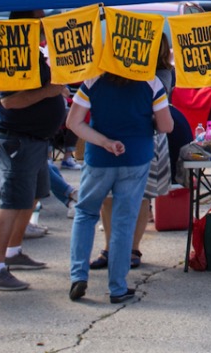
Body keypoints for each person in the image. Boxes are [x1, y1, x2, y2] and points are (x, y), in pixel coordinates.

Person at [65, 65, 172, 303]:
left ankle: (78, 275)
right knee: (124, 221)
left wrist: (104, 141)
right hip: (136, 157)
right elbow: (166, 126)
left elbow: (74, 122)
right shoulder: (151, 82)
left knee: (85, 213)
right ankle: (117, 287)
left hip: (99, 159)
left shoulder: (93, 79)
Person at [0, 27, 69, 292]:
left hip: (34, 140)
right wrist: (49, 92)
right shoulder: (13, 53)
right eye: (39, 14)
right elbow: (10, 102)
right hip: (17, 141)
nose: (44, 18)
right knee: (11, 202)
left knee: (31, 197)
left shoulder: (34, 50)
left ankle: (13, 251)